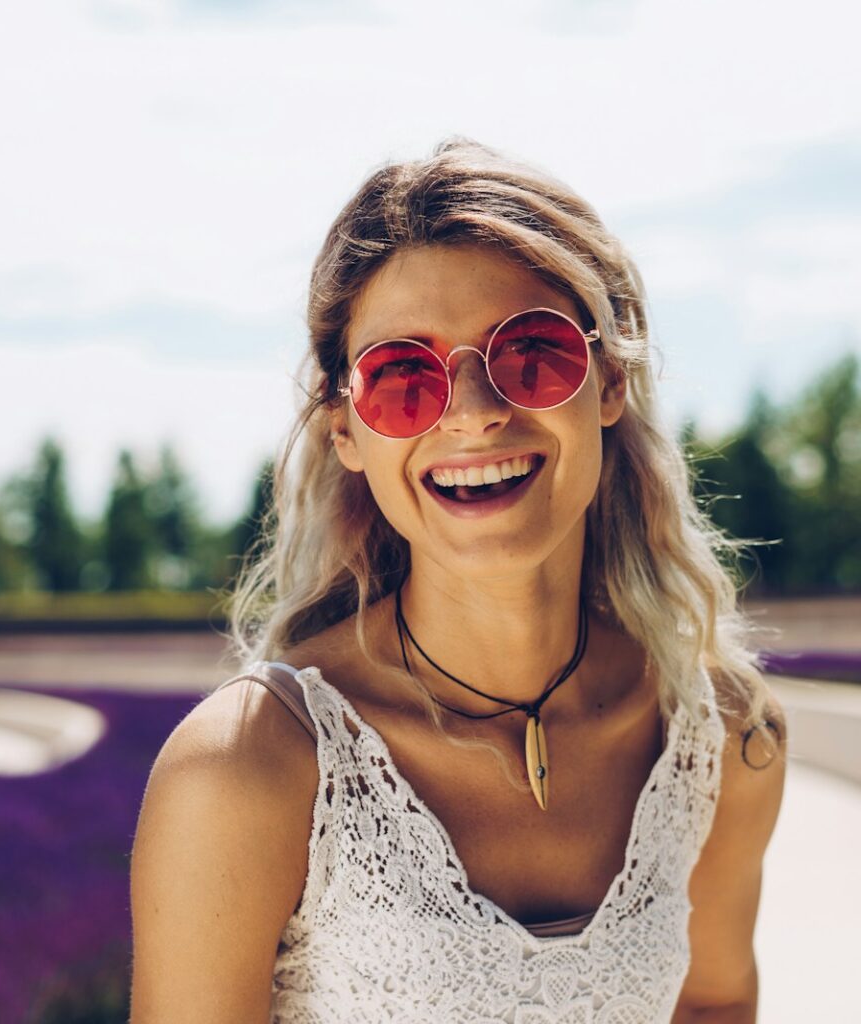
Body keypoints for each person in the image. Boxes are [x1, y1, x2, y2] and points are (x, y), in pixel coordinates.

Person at [129, 138, 787, 1023]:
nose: (474, 414)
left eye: (533, 354)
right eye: (405, 378)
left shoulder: (723, 740)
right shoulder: (249, 768)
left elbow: (715, 1002)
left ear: (608, 383)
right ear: (348, 432)